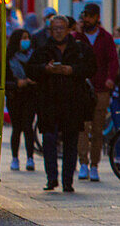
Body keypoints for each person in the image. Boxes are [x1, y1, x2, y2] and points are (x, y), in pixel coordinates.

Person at [27, 15, 95, 193]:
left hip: (72, 103)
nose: (58, 32)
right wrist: (45, 69)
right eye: (54, 28)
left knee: (71, 142)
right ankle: (52, 178)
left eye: (61, 28)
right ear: (50, 30)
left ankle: (67, 181)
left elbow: (91, 68)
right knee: (48, 139)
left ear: (67, 29)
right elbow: (31, 70)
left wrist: (71, 70)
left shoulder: (79, 48)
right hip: (49, 102)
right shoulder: (43, 49)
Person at [74, 3, 118, 182]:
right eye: (85, 16)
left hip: (100, 89)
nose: (87, 19)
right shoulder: (78, 37)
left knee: (98, 129)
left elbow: (113, 60)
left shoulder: (105, 37)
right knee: (82, 128)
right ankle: (83, 162)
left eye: (91, 16)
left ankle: (94, 165)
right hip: (82, 88)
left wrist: (110, 79)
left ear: (97, 17)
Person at [5, 29, 37, 172]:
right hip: (14, 96)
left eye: (28, 38)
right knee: (17, 127)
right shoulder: (9, 58)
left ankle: (30, 158)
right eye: (23, 38)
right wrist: (17, 83)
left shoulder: (33, 56)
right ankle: (15, 158)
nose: (26, 41)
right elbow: (5, 80)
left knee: (28, 126)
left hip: (29, 96)